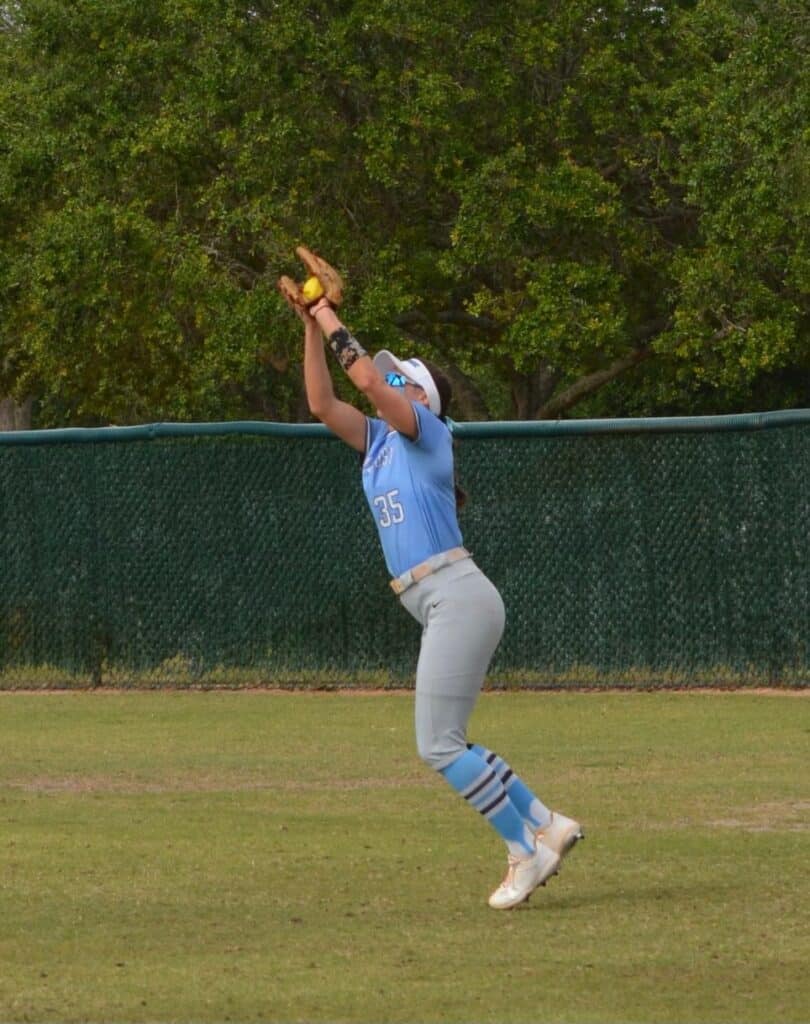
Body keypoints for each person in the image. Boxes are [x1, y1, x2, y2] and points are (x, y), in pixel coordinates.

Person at [289, 286, 583, 909]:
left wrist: (328, 314)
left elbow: (367, 380)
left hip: (456, 593)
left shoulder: (428, 433)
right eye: (394, 377)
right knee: (452, 739)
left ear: (423, 397)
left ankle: (525, 852)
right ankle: (546, 822)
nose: (390, 381)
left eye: (404, 379)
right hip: (440, 600)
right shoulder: (377, 443)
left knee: (437, 745)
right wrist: (309, 328)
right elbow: (322, 403)